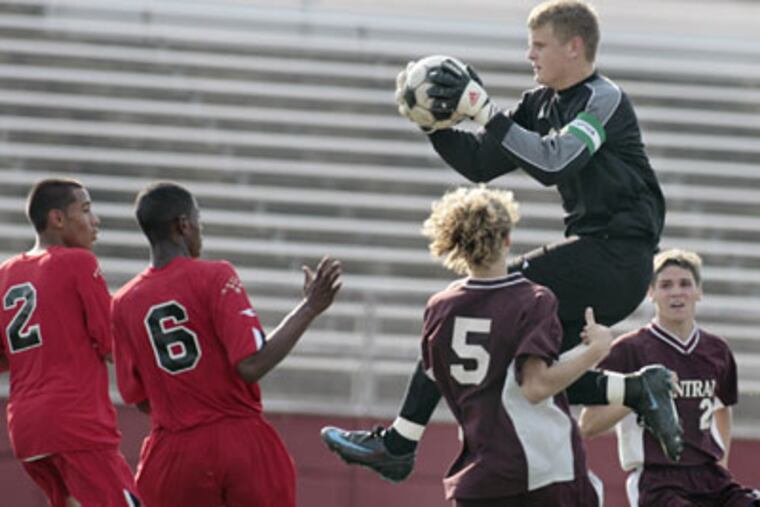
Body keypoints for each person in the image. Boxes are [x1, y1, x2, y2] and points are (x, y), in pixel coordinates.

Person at [321, 0, 683, 482]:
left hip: (617, 257)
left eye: (539, 45)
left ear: (574, 47)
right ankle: (637, 391)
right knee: (526, 371)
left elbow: (554, 161)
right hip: (597, 256)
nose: (528, 55)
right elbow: (480, 164)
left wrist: (487, 111)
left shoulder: (604, 98)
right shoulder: (540, 101)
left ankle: (400, 442)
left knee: (476, 302)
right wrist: (436, 128)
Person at [327, 186, 610, 505]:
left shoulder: (441, 305)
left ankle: (399, 442)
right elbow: (536, 385)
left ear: (455, 243)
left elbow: (432, 376)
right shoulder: (533, 300)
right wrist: (595, 352)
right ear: (507, 239)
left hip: (481, 474)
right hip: (544, 469)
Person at [110, 181, 342, 507]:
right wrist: (310, 308)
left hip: (172, 453)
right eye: (198, 221)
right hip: (238, 441)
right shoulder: (214, 275)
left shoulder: (122, 302)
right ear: (183, 225)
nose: (200, 231)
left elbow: (139, 398)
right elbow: (251, 364)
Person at [579, 249, 760, 507]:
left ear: (699, 291)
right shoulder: (629, 350)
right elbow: (588, 424)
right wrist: (639, 392)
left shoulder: (717, 349)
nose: (676, 292)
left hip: (711, 476)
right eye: (665, 285)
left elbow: (723, 408)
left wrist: (722, 462)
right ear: (650, 293)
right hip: (658, 480)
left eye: (685, 284)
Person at [0, 178, 140, 506]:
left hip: (26, 429)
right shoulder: (78, 262)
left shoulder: (5, 274)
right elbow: (111, 344)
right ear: (57, 219)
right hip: (76, 423)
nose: (96, 221)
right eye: (87, 210)